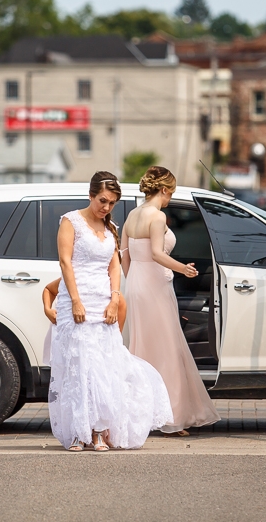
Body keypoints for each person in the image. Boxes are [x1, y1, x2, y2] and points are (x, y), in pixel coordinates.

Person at [49, 171, 173, 452]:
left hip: (104, 301)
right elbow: (66, 263)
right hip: (77, 301)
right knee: (80, 366)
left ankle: (99, 430)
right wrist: (76, 301)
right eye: (102, 201)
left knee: (104, 366)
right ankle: (79, 432)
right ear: (91, 195)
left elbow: (114, 265)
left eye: (112, 203)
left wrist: (115, 298)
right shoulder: (71, 222)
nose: (106, 207)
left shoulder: (111, 228)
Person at [122, 166, 220, 436]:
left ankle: (140, 414)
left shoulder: (131, 215)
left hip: (136, 285)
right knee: (166, 348)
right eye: (170, 193)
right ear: (164, 190)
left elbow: (124, 256)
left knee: (140, 348)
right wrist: (182, 269)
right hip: (154, 286)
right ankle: (171, 417)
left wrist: (132, 282)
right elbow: (156, 253)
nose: (170, 199)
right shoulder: (158, 216)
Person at [41, 277, 126, 365]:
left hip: (97, 346)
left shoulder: (107, 289)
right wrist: (47, 309)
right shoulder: (72, 279)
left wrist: (113, 343)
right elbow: (49, 289)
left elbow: (120, 308)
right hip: (69, 342)